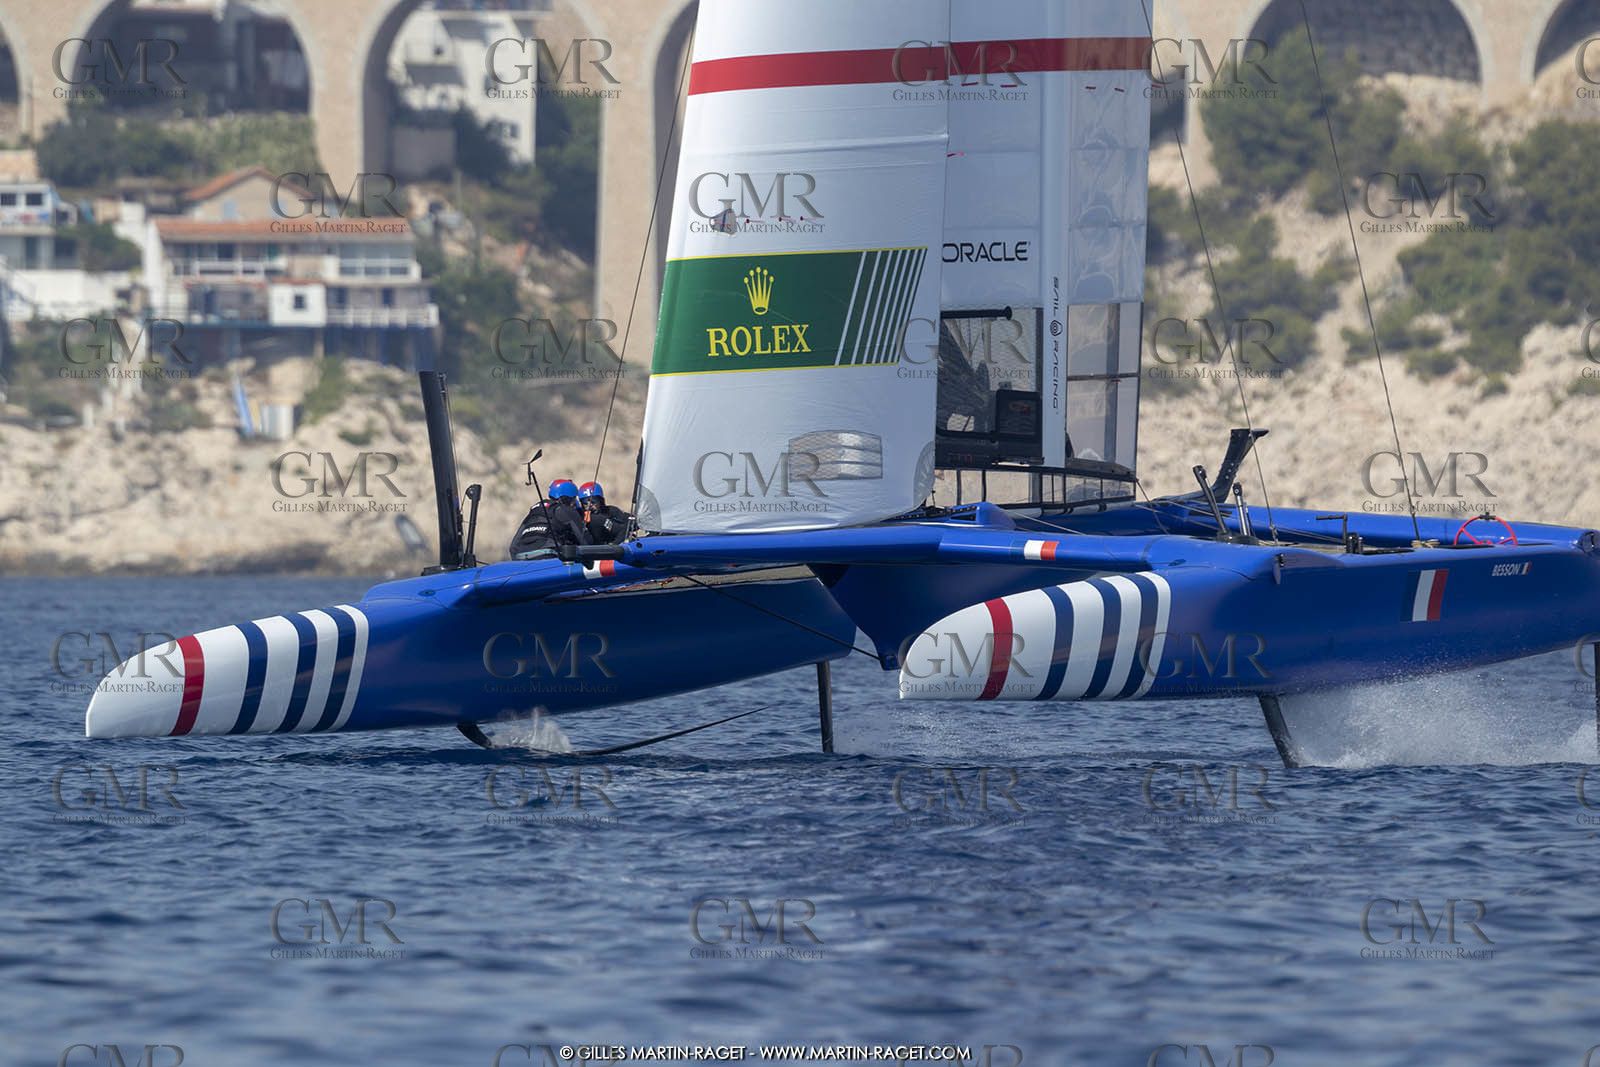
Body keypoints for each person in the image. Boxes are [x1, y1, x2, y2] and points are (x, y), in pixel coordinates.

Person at [508, 478, 592, 560]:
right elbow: (586, 542)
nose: (574, 503)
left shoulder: (535, 510)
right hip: (546, 556)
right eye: (574, 499)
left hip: (521, 557)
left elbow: (513, 547)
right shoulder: (567, 510)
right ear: (569, 498)